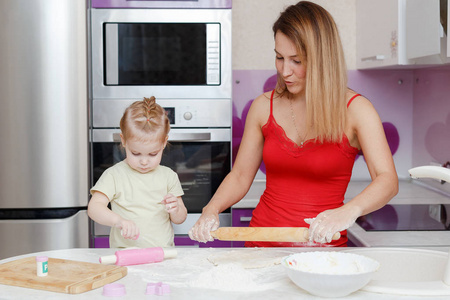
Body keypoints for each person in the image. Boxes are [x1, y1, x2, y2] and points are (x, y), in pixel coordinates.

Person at [189, 1, 398, 247]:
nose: (285, 71)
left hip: (321, 253)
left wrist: (349, 211)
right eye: (279, 57)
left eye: (296, 61)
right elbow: (240, 175)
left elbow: (387, 180)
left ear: (322, 60)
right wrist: (211, 209)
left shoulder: (357, 110)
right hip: (261, 246)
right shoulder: (262, 107)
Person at [88, 96, 187, 248]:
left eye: (153, 154)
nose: (144, 161)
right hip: (126, 256)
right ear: (123, 141)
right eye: (135, 153)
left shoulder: (169, 176)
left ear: (164, 143)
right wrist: (118, 221)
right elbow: (94, 208)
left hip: (162, 255)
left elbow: (180, 219)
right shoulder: (114, 175)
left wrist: (176, 209)